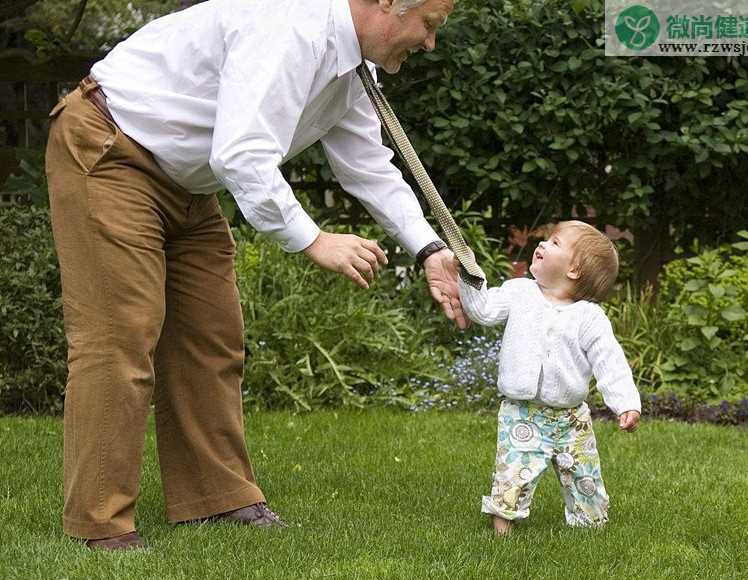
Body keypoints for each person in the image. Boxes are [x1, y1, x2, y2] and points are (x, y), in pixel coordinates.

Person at [45, 0, 466, 551]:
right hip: (110, 150)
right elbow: (242, 155)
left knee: (212, 337)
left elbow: (367, 165)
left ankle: (214, 500)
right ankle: (98, 522)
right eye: (429, 26)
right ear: (387, 3)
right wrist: (314, 240)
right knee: (119, 336)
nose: (429, 43)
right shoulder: (292, 28)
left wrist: (428, 248)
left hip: (187, 183)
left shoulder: (349, 66)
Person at [457, 220, 641, 537]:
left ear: (574, 271)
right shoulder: (520, 292)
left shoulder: (588, 317)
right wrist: (470, 277)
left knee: (585, 474)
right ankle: (503, 527)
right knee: (513, 471)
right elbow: (484, 310)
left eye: (555, 243)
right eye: (546, 240)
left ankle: (590, 523)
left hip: (572, 418)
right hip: (522, 411)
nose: (541, 245)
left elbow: (609, 361)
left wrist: (625, 403)